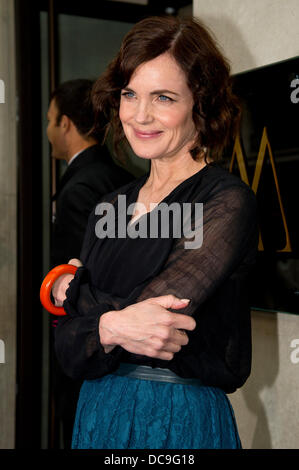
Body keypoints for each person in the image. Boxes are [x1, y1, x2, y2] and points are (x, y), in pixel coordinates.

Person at [53, 16, 258, 449]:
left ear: (199, 104)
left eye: (163, 97)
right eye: (130, 94)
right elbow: (66, 348)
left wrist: (73, 293)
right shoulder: (109, 206)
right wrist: (107, 325)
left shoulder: (223, 202)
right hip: (96, 411)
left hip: (177, 418)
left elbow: (158, 320)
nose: (140, 115)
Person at [47, 78, 134, 448]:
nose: (48, 130)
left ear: (65, 123)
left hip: (93, 345)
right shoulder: (123, 177)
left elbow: (90, 274)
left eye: (50, 120)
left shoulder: (82, 186)